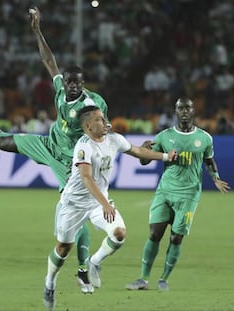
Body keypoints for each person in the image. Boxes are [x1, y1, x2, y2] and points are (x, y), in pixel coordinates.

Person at [0, 7, 110, 292]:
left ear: (84, 84)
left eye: (77, 82)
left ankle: (82, 270)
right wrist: (36, 30)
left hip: (70, 161)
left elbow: (103, 129)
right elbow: (49, 60)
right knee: (5, 143)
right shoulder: (61, 90)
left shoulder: (93, 105)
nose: (72, 85)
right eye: (69, 81)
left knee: (77, 212)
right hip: (48, 145)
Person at [43, 106, 177, 310]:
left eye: (104, 118)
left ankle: (94, 262)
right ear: (88, 126)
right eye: (99, 119)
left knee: (119, 234)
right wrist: (105, 203)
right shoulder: (84, 146)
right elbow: (86, 178)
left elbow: (138, 151)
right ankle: (50, 283)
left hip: (98, 202)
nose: (105, 122)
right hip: (74, 204)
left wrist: (166, 157)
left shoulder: (114, 139)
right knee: (63, 248)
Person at [125, 97, 230, 291]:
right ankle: (143, 279)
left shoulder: (205, 138)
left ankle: (164, 278)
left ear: (193, 111)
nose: (184, 111)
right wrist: (145, 150)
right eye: (180, 108)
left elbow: (209, 160)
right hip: (165, 191)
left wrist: (215, 177)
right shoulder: (164, 136)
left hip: (189, 195)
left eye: (187, 108)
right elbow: (144, 161)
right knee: (155, 234)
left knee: (176, 238)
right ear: (175, 111)